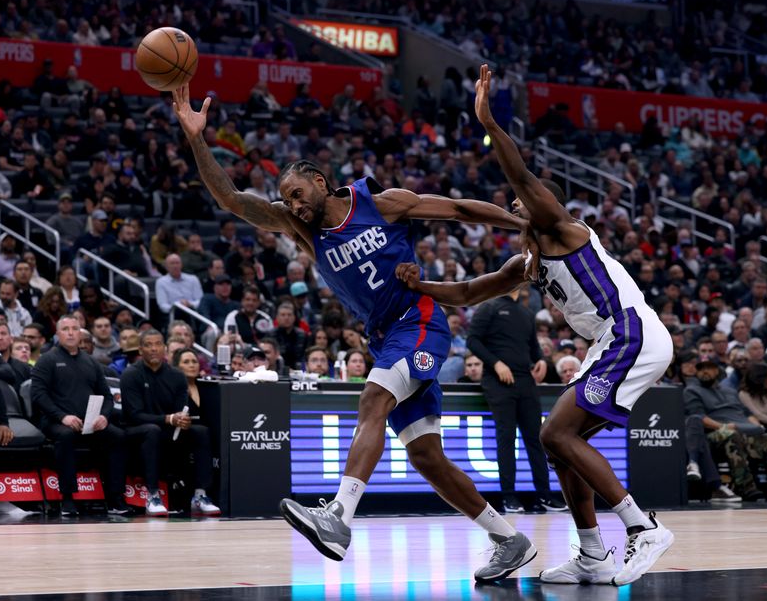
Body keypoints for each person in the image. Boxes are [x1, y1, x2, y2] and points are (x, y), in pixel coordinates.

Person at [173, 83, 535, 581]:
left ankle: (338, 518)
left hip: (422, 322)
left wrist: (522, 222)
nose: (294, 206)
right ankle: (509, 539)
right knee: (427, 456)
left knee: (372, 401)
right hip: (387, 337)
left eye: (298, 195)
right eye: (288, 201)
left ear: (320, 182)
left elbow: (458, 208)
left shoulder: (383, 204)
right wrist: (197, 139)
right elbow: (233, 199)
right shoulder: (301, 229)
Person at [395, 64, 675, 586]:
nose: (515, 203)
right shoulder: (526, 265)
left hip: (630, 330)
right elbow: (468, 293)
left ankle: (643, 527)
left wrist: (490, 122)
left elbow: (520, 175)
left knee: (555, 432)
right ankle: (592, 554)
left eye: (523, 200)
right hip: (612, 343)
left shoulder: (562, 228)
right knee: (558, 441)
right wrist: (419, 286)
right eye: (515, 203)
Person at [466, 284, 559, 514]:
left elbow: (533, 347)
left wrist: (540, 361)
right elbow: (472, 341)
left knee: (536, 439)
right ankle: (509, 497)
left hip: (525, 380)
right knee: (506, 438)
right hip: (497, 381)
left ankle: (544, 496)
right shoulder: (489, 306)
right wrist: (496, 363)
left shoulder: (526, 313)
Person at [30, 315, 129, 516]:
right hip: (55, 421)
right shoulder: (47, 360)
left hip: (90, 422)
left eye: (74, 328)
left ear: (80, 333)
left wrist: (104, 417)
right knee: (66, 435)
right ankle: (67, 498)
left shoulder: (91, 362)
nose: (70, 333)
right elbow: (38, 395)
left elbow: (107, 397)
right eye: (65, 329)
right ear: (57, 334)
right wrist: (62, 417)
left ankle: (115, 498)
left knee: (118, 436)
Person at [120, 330, 220, 517]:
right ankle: (152, 495)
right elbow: (134, 415)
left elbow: (181, 409)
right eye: (148, 345)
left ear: (164, 349)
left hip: (169, 429)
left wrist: (182, 420)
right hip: (136, 430)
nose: (154, 349)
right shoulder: (130, 375)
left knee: (201, 431)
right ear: (141, 350)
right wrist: (167, 419)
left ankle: (200, 495)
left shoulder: (176, 376)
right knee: (152, 430)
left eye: (158, 344)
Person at [684, 359, 767, 502]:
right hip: (717, 432)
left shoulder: (730, 391)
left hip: (744, 429)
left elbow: (748, 414)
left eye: (709, 368)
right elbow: (698, 417)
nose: (705, 371)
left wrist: (758, 427)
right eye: (701, 369)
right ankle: (747, 487)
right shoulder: (692, 391)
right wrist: (723, 427)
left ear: (718, 371)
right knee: (731, 435)